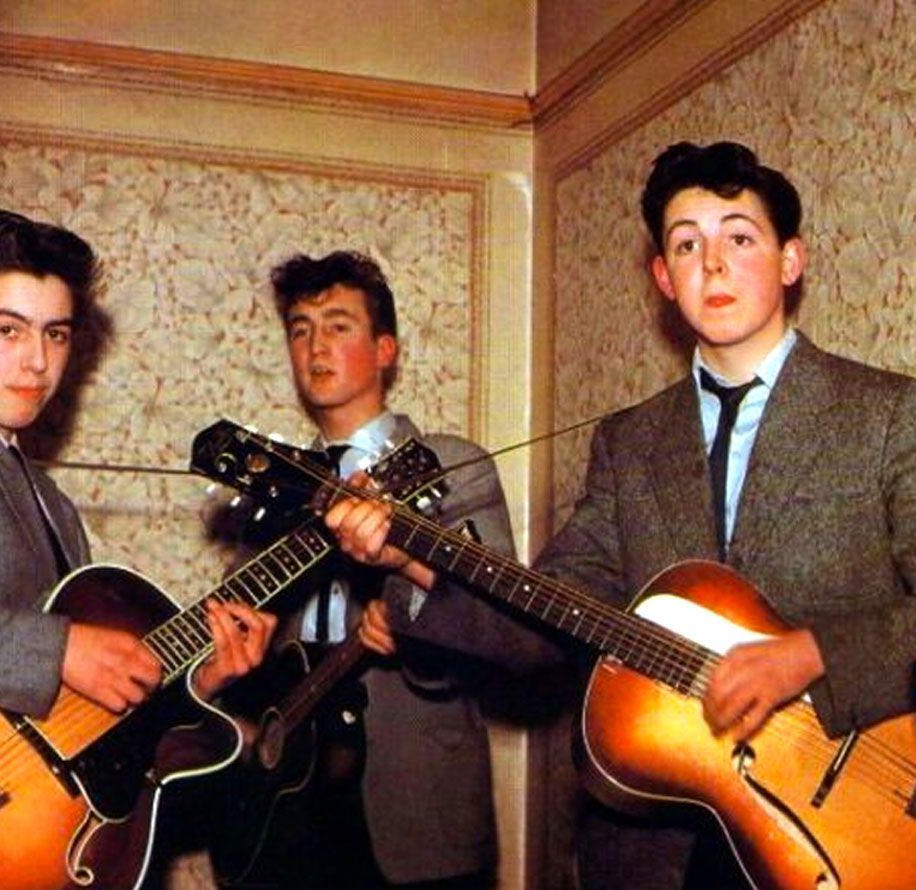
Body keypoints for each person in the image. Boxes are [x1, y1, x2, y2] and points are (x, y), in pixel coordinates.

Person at [326, 142, 916, 888]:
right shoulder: (629, 442)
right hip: (652, 851)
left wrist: (815, 653)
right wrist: (414, 560)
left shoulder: (890, 414)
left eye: (740, 237)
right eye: (687, 244)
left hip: (847, 831)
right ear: (664, 279)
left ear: (790, 261)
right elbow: (547, 617)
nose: (713, 263)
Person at [217, 251, 560, 889]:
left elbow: (508, 629)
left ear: (385, 350)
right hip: (286, 799)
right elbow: (248, 651)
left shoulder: (451, 466)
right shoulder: (274, 488)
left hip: (415, 802)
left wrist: (415, 620)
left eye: (338, 325)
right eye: (300, 328)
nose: (316, 345)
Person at [0, 208, 274, 720]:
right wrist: (60, 649)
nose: (39, 361)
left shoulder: (54, 504)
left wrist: (201, 679)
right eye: (8, 331)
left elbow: (70, 716)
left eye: (56, 334)